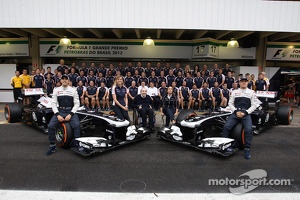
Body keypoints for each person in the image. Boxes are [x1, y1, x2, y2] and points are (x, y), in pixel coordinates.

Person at [222, 77, 258, 159]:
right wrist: (235, 111)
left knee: (248, 129)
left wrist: (245, 112)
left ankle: (247, 148)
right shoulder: (235, 92)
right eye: (242, 81)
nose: (244, 83)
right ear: (239, 83)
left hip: (246, 113)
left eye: (245, 81)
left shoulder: (252, 92)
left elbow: (254, 105)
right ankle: (224, 146)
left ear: (247, 82)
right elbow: (230, 103)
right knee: (226, 127)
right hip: (236, 113)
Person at [46, 74, 80, 156]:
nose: (64, 80)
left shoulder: (73, 90)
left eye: (66, 79)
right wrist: (57, 115)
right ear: (60, 81)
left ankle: (77, 145)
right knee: (50, 126)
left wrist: (71, 114)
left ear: (68, 81)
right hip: (60, 111)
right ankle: (52, 146)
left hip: (70, 111)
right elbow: (53, 103)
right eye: (63, 79)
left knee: (77, 125)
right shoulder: (56, 90)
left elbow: (77, 104)